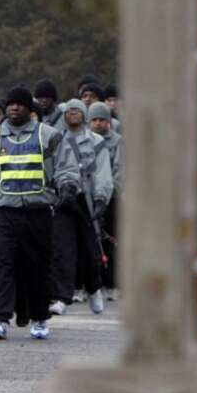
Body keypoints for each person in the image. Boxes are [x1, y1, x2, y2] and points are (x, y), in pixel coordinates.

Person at [0, 86, 80, 340]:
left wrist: (68, 185)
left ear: (30, 108)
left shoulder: (48, 136)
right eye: (10, 104)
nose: (14, 108)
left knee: (37, 266)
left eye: (20, 104)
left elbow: (66, 166)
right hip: (0, 211)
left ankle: (39, 318)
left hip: (37, 212)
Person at [49, 99, 113, 316]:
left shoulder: (96, 142)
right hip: (65, 201)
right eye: (69, 111)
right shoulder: (56, 139)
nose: (73, 114)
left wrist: (101, 199)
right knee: (63, 250)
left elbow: (103, 172)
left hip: (88, 202)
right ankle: (62, 297)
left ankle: (94, 288)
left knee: (91, 252)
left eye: (78, 110)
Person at [87, 102, 123, 300]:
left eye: (102, 120)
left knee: (111, 241)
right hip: (88, 196)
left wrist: (110, 192)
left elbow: (119, 170)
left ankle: (112, 283)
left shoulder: (117, 142)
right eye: (94, 120)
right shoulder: (84, 141)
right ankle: (92, 284)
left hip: (111, 196)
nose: (98, 124)